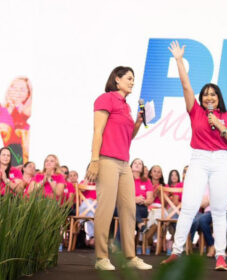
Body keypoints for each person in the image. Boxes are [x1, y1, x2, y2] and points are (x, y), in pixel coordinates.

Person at [162, 41, 227, 271]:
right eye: (205, 94)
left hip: (221, 161)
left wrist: (220, 125)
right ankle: (176, 252)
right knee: (188, 206)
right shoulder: (195, 111)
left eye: (213, 95)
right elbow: (186, 87)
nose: (208, 97)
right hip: (198, 159)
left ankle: (220, 256)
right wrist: (178, 60)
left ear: (219, 98)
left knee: (218, 209)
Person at [84, 66, 152, 270]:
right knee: (105, 208)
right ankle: (101, 258)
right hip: (107, 160)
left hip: (124, 163)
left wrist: (138, 123)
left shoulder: (127, 106)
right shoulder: (106, 99)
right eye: (129, 78)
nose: (132, 82)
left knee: (130, 208)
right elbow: (98, 131)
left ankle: (130, 258)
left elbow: (127, 136)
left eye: (133, 79)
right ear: (117, 79)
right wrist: (94, 160)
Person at [4, 76, 32, 164]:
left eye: (22, 90)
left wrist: (17, 106)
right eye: (14, 88)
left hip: (21, 152)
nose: (17, 92)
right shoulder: (3, 109)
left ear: (28, 93)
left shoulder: (28, 110)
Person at [131, 158, 153, 232]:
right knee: (128, 209)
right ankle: (140, 224)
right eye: (135, 163)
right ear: (131, 166)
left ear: (142, 169)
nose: (137, 164)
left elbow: (149, 200)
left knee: (128, 210)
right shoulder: (125, 179)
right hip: (126, 206)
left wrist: (141, 201)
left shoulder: (147, 181)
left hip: (141, 208)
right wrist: (133, 200)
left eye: (140, 163)